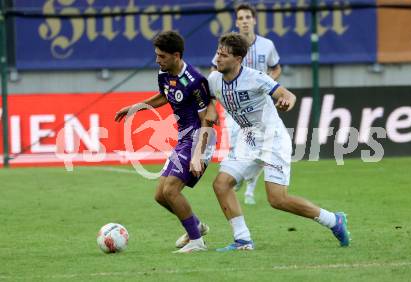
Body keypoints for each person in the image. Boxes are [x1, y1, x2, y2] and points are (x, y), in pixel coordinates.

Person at [206, 33, 350, 251]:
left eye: (224, 55)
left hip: (273, 140)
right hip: (248, 140)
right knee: (221, 184)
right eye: (218, 53)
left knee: (277, 199)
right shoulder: (214, 79)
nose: (218, 58)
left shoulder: (255, 77)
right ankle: (243, 240)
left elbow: (287, 95)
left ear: (238, 59)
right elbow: (208, 96)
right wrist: (210, 110)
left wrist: (285, 102)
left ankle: (333, 220)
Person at [115, 31, 215, 253]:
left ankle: (197, 242)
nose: (157, 60)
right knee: (160, 196)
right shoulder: (164, 72)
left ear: (176, 55)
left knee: (171, 191)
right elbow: (164, 95)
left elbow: (206, 122)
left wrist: (198, 154)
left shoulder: (196, 81)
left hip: (199, 138)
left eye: (161, 56)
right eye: (156, 55)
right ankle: (196, 225)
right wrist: (135, 108)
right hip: (183, 139)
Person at [211, 3, 282, 205]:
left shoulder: (267, 45)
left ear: (254, 20)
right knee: (237, 142)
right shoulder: (229, 46)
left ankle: (249, 188)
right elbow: (214, 70)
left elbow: (276, 68)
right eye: (240, 18)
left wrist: (268, 80)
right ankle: (238, 174)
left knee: (262, 143)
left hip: (258, 103)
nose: (244, 21)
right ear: (236, 22)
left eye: (247, 18)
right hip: (233, 104)